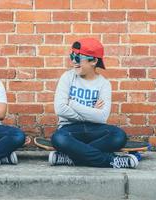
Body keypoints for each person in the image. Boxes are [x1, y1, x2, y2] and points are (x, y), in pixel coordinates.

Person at [49, 38, 139, 169]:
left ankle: (72, 157)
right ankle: (111, 161)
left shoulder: (104, 84)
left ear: (94, 61)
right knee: (58, 138)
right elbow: (60, 109)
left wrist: (73, 104)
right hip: (70, 130)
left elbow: (102, 117)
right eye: (72, 56)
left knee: (119, 136)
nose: (74, 61)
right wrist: (91, 111)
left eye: (79, 58)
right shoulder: (67, 77)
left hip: (95, 130)